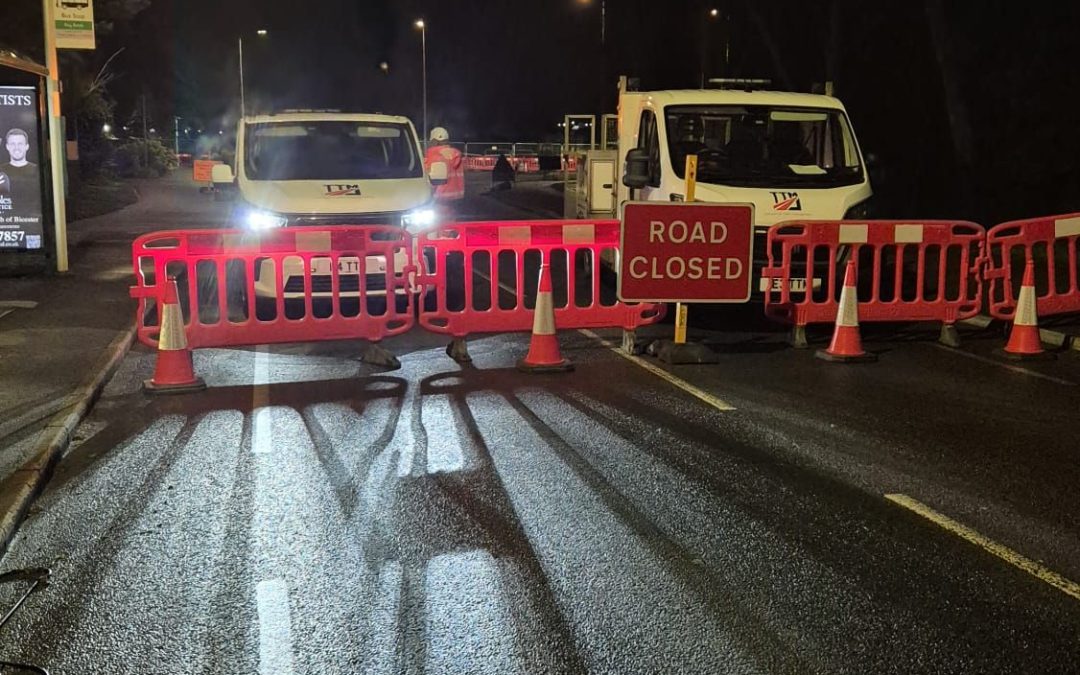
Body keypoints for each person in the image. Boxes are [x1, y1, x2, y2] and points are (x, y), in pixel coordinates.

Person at [423, 126, 465, 201]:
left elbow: (427, 177)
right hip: (457, 198)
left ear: (435, 141)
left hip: (439, 198)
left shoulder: (432, 155)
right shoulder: (457, 154)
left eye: (431, 141)